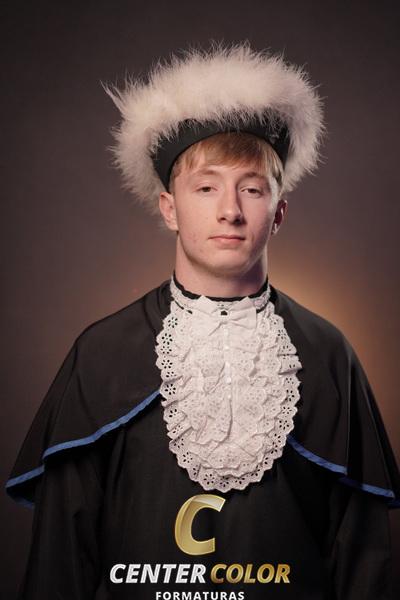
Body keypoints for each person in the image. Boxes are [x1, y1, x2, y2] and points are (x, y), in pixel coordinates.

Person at [6, 42, 400, 600]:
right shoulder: (102, 352)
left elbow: (365, 567)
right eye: (207, 186)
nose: (230, 210)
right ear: (169, 207)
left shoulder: (328, 353)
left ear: (278, 212)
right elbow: (59, 568)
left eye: (252, 189)